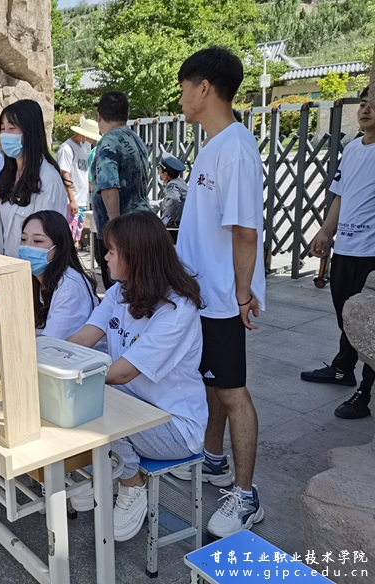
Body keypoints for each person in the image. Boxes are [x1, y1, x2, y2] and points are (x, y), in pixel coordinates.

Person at [67, 211, 207, 541]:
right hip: (132, 407)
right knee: (81, 396)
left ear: (137, 256)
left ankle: (130, 482)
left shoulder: (177, 308)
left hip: (174, 425)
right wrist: (45, 355)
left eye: (112, 251)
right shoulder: (121, 290)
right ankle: (106, 471)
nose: (105, 257)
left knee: (90, 399)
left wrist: (67, 375)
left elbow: (122, 373)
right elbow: (85, 337)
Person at [172, 46, 266, 538]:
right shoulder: (212, 145)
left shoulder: (236, 148)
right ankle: (212, 460)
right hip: (203, 293)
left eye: (184, 88)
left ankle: (246, 497)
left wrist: (243, 296)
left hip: (225, 297)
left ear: (204, 87)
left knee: (232, 391)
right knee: (211, 382)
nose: (181, 98)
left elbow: (245, 232)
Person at [301, 86, 375, 420]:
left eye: (373, 105)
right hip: (346, 248)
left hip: (371, 253)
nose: (366, 110)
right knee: (346, 315)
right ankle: (343, 368)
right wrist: (326, 231)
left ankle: (366, 393)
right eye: (363, 103)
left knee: (369, 322)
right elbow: (341, 195)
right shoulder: (353, 149)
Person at [0, 99, 67, 258]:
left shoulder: (48, 180)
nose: (5, 135)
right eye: (2, 129)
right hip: (2, 266)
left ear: (29, 131)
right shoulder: (6, 176)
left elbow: (49, 239)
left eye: (12, 128)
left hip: (31, 269)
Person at [90, 91, 151, 290]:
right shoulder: (136, 139)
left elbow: (108, 185)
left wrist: (114, 225)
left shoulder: (107, 142)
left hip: (122, 229)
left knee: (119, 289)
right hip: (143, 222)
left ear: (99, 116)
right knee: (141, 284)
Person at [19, 210, 100, 347]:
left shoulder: (69, 286)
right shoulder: (34, 279)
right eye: (23, 239)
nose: (27, 247)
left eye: (38, 241)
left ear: (58, 247)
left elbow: (49, 343)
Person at [57, 117, 98, 246]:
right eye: (90, 138)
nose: (91, 141)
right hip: (71, 202)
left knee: (75, 238)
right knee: (68, 238)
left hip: (81, 201)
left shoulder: (83, 149)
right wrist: (72, 199)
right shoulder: (66, 149)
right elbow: (65, 174)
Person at [154, 152, 188, 228]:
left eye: (159, 171)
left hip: (177, 226)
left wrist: (164, 220)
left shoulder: (172, 185)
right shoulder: (181, 182)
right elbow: (166, 202)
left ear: (165, 175)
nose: (159, 174)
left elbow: (174, 199)